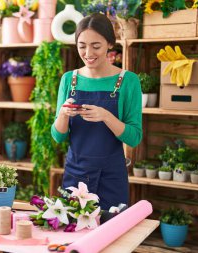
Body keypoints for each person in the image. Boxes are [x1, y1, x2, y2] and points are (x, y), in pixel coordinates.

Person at [51, 13, 142, 210]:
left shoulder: (128, 81)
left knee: (112, 235)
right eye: (82, 46)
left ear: (110, 44)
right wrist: (64, 115)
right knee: (73, 236)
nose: (88, 53)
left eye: (96, 46)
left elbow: (134, 138)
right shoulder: (69, 79)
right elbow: (58, 136)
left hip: (112, 176)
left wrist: (107, 117)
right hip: (75, 174)